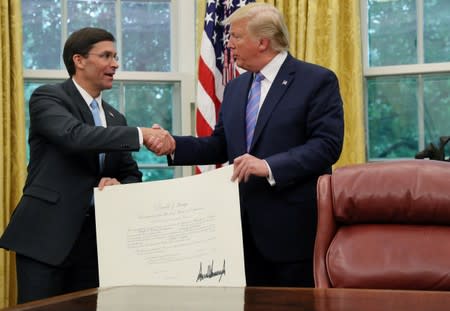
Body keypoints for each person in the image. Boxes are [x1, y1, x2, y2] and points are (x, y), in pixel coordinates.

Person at [151, 3, 344, 287]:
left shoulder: (316, 80)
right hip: (239, 232)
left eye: (236, 37)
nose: (229, 44)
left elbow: (326, 146)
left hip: (292, 233)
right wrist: (173, 146)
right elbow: (220, 145)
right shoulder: (236, 87)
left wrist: (267, 166)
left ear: (262, 42)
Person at [0, 27, 171, 303]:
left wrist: (118, 185)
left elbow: (131, 174)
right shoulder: (49, 97)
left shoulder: (116, 117)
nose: (115, 64)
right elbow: (74, 136)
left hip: (96, 246)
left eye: (116, 57)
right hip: (46, 239)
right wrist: (141, 134)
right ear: (79, 60)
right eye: (106, 56)